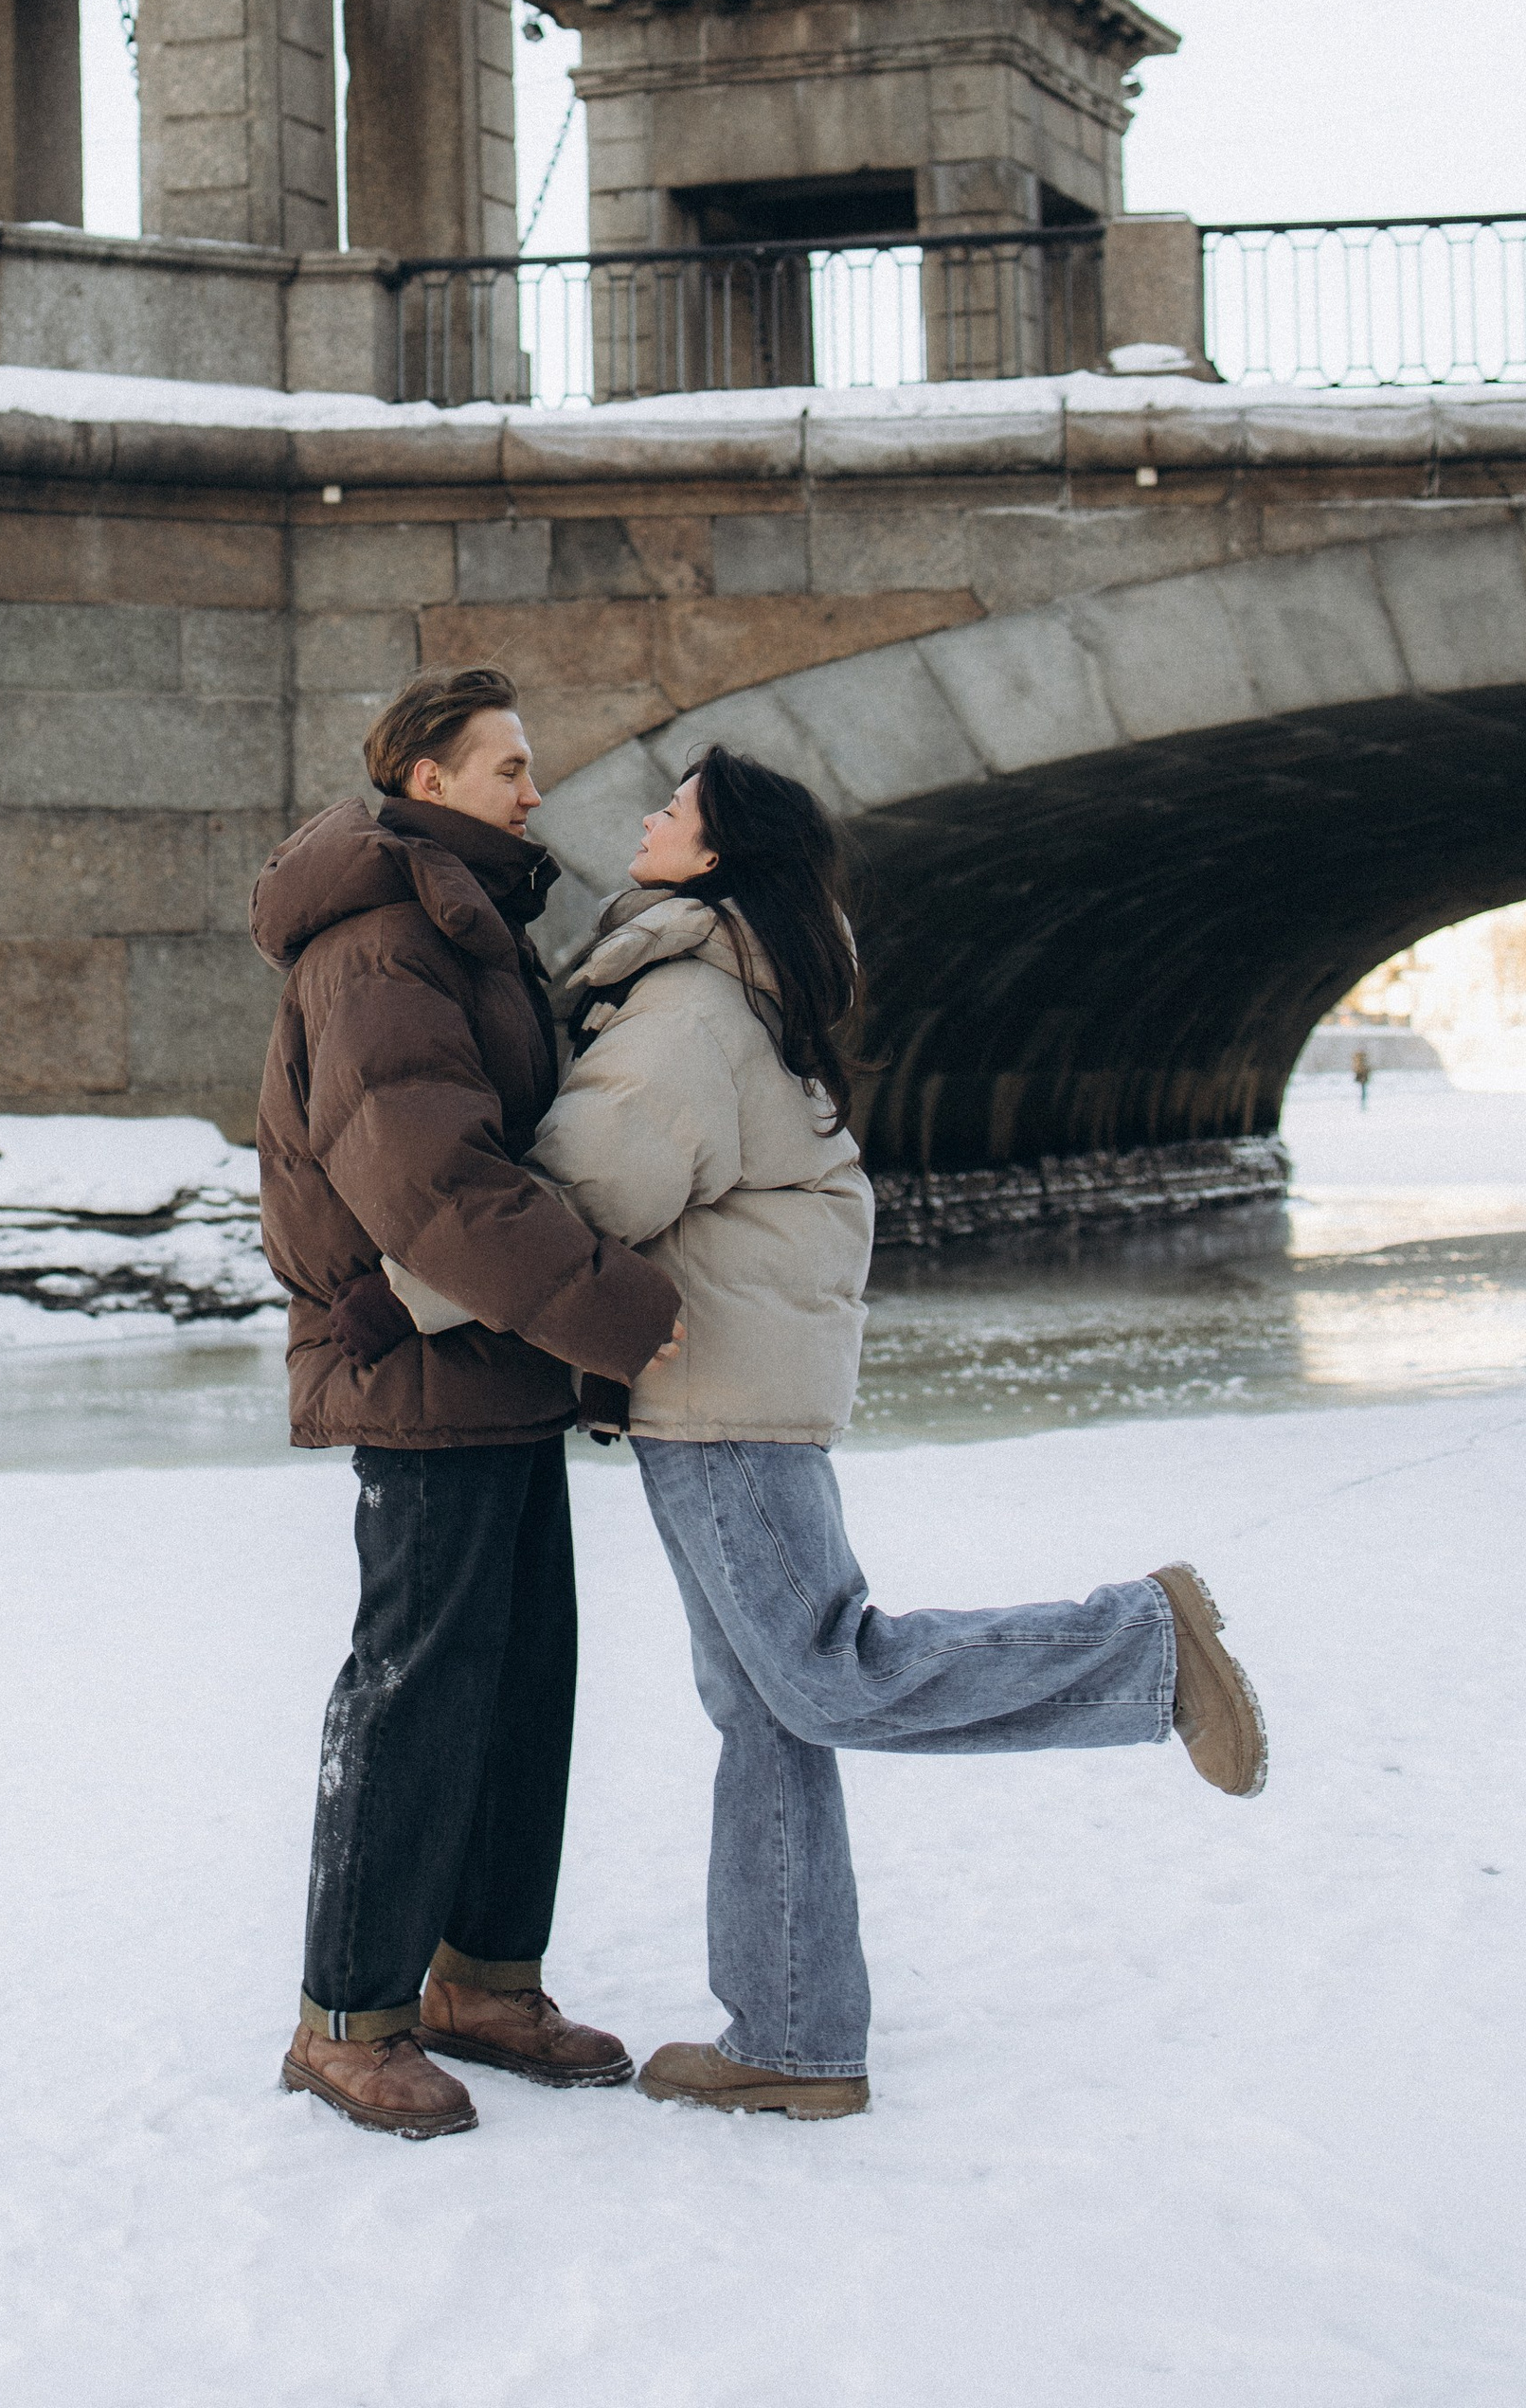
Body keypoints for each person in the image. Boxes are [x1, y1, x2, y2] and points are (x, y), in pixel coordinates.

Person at [437, 742, 1271, 2123]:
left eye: (674, 806)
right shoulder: (737, 985)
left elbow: (592, 1188)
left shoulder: (689, 1010)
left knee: (819, 1676)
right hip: (730, 1385)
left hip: (721, 1393)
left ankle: (1139, 1643)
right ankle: (793, 2033)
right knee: (766, 1709)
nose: (645, 815)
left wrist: (410, 1270)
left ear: (713, 856)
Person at [249, 667, 683, 2142]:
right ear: (426, 781)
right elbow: (430, 1183)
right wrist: (621, 1311)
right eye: (506, 764)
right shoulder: (383, 946)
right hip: (419, 1368)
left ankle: (485, 1983)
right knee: (416, 1697)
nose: (532, 788)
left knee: (519, 1688)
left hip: (489, 1364)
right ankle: (348, 2018)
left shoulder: (461, 929)